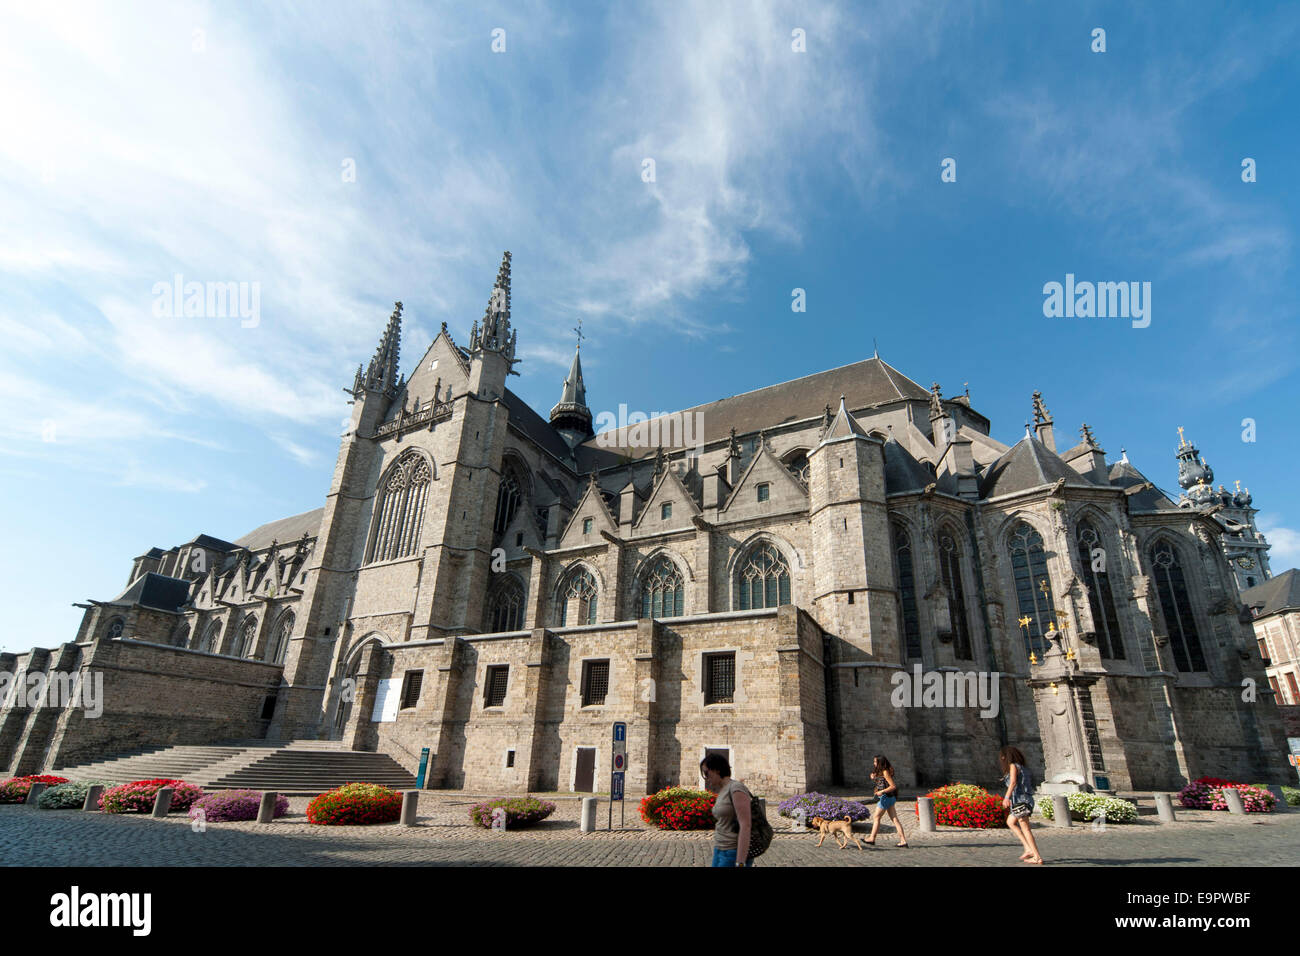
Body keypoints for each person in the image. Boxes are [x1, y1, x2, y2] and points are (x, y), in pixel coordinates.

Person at [701, 753, 754, 867]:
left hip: (733, 852)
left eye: (706, 773)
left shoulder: (736, 788)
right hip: (720, 849)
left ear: (717, 770)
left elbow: (746, 825)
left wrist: (740, 862)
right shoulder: (723, 790)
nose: (705, 777)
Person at [999, 745, 1043, 864]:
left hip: (1020, 801)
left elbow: (1013, 783)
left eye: (1003, 756)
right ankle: (1028, 848)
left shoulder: (1013, 766)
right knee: (1010, 822)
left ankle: (1037, 856)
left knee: (1026, 829)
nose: (1001, 758)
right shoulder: (1024, 768)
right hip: (1025, 800)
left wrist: (1006, 798)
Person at [866, 754, 909, 847]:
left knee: (876, 817)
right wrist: (874, 778)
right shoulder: (881, 772)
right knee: (895, 819)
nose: (874, 763)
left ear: (880, 763)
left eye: (875, 762)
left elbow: (893, 786)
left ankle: (872, 838)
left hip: (886, 798)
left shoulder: (885, 772)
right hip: (889, 798)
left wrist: (881, 792)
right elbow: (882, 783)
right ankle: (903, 841)